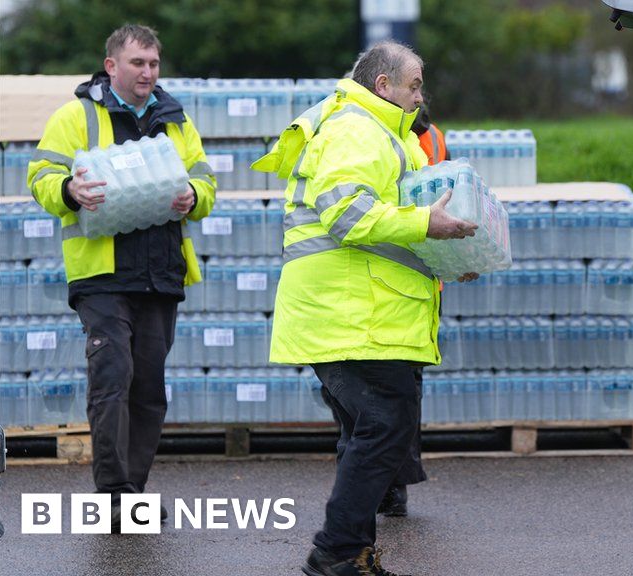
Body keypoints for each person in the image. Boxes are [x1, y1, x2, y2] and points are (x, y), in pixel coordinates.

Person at [255, 41, 476, 576]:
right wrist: (428, 225)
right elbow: (348, 214)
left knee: (373, 432)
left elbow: (388, 221)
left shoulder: (384, 135)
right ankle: (335, 552)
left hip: (361, 310)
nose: (422, 96)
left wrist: (447, 254)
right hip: (352, 312)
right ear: (384, 86)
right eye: (415, 85)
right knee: (385, 428)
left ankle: (351, 554)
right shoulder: (357, 129)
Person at [26, 24, 216, 529]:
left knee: (149, 389)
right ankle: (113, 494)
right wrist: (69, 190)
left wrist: (194, 197)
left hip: (160, 273)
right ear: (112, 66)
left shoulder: (174, 119)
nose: (147, 73)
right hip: (102, 275)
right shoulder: (77, 116)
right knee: (113, 379)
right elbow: (40, 176)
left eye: (154, 64)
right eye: (137, 63)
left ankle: (134, 492)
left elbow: (206, 179)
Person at [373, 100, 450, 520]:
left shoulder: (429, 138)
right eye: (413, 86)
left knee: (398, 391)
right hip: (394, 278)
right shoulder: (370, 134)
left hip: (408, 280)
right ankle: (387, 485)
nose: (418, 96)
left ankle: (392, 486)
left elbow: (453, 202)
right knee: (396, 391)